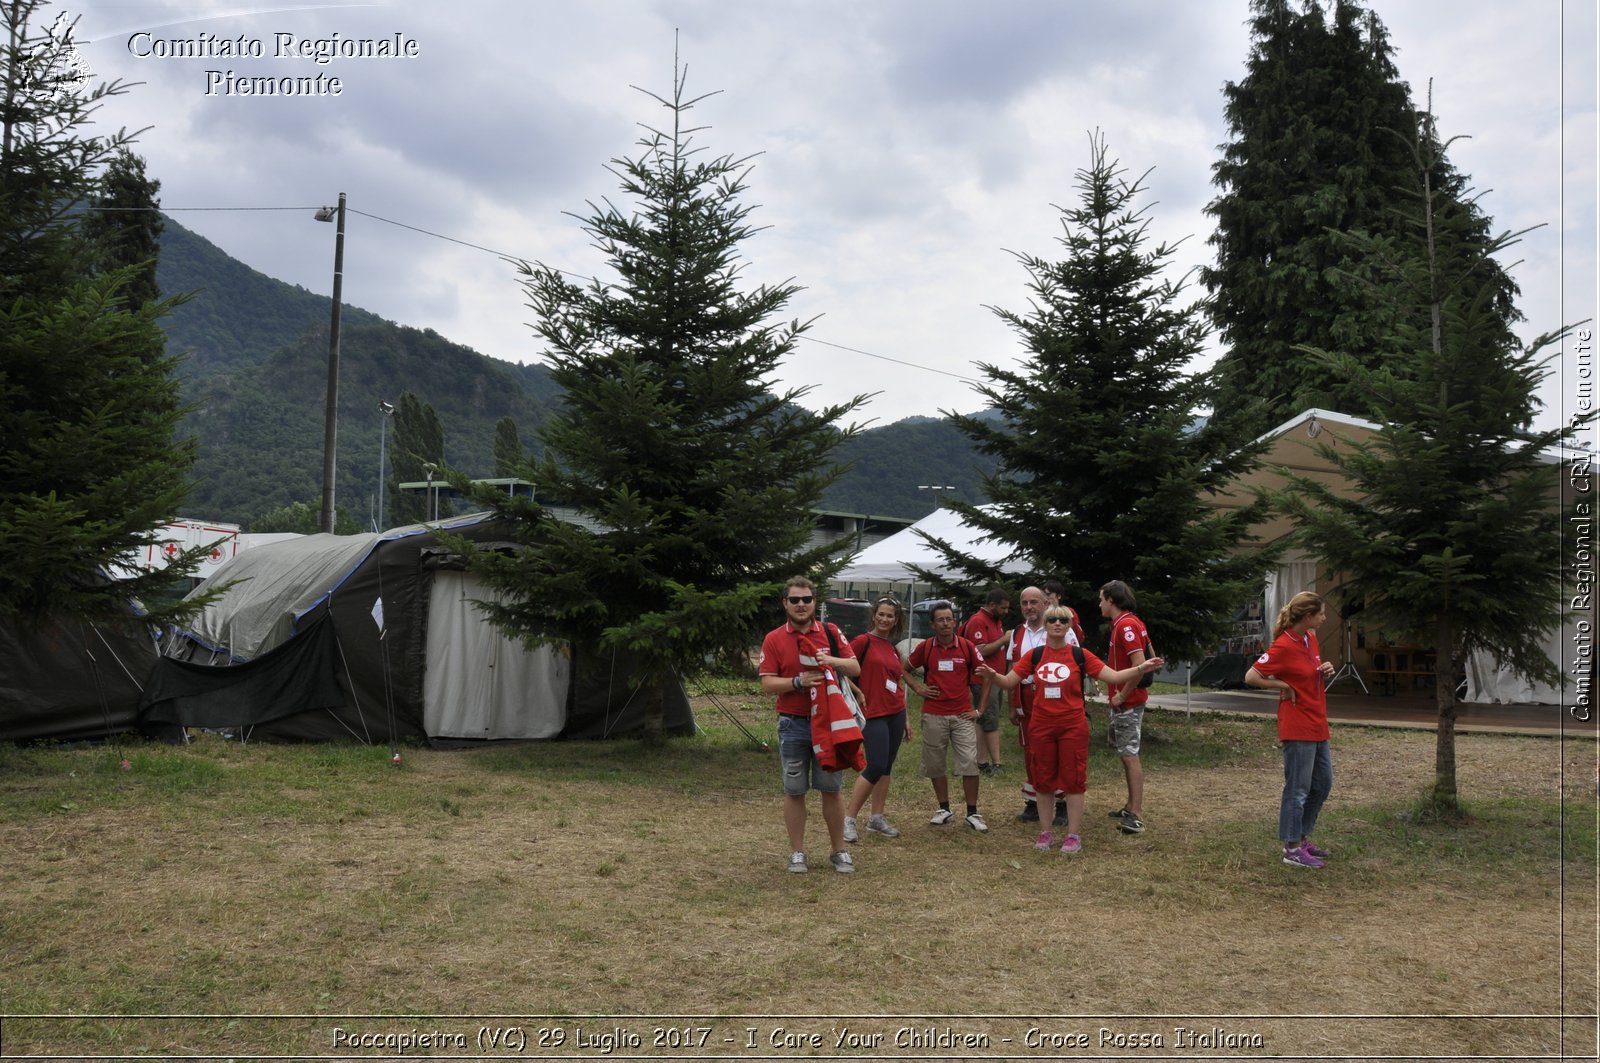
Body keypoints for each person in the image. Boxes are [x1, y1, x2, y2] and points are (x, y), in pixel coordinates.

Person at [981, 605, 1163, 854]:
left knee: (1074, 780)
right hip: (1041, 727)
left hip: (1072, 727)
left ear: (1069, 626)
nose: (1057, 623)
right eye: (1052, 619)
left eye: (1063, 620)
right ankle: (1045, 832)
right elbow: (1009, 681)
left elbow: (1113, 676)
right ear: (1045, 625)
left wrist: (1141, 668)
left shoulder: (1080, 655)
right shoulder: (1034, 655)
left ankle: (1073, 835)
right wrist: (992, 675)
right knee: (1043, 781)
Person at [758, 576, 862, 874]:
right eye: (795, 600)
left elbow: (854, 667)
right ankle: (797, 853)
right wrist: (797, 682)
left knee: (831, 788)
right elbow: (767, 684)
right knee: (795, 791)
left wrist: (829, 659)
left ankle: (839, 851)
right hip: (793, 724)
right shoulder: (774, 638)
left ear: (815, 602)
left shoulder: (830, 632)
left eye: (806, 600)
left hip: (829, 724)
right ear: (785, 604)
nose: (801, 605)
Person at [1244, 590, 1338, 869]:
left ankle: (1302, 836)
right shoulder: (1284, 646)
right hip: (1297, 724)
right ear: (1307, 616)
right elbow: (1251, 676)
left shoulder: (1310, 638)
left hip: (1317, 720)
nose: (1324, 617)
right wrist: (1282, 685)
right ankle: (1292, 848)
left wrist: (1324, 669)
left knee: (1322, 783)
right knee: (1298, 788)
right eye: (1321, 613)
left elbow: (1308, 671)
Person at [905, 600, 988, 832]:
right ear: (932, 624)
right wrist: (918, 689)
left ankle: (972, 812)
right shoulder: (926, 648)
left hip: (962, 715)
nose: (945, 624)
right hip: (933, 714)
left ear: (955, 621)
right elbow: (903, 669)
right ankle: (944, 809)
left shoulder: (967, 646)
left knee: (970, 763)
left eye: (949, 619)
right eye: (940, 620)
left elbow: (987, 676)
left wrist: (979, 710)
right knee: (935, 764)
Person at [843, 597, 914, 842]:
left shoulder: (893, 648)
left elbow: (897, 683)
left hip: (895, 713)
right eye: (881, 614)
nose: (885, 619)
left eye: (890, 616)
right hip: (872, 713)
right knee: (875, 765)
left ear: (896, 621)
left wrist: (905, 717)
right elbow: (841, 670)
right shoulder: (863, 641)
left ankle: (876, 818)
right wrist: (858, 691)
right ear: (874, 615)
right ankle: (848, 820)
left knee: (886, 766)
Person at [1099, 579, 1151, 835]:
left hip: (1129, 702)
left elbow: (1140, 662)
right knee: (1125, 753)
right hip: (1126, 701)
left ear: (1111, 600)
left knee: (1130, 755)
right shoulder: (1125, 623)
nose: (1099, 604)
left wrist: (1123, 694)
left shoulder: (1126, 624)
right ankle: (1130, 805)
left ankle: (1136, 815)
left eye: (1101, 599)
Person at [1007, 586, 1049, 823]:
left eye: (1034, 602)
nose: (1029, 607)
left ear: (1044, 603)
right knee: (1030, 750)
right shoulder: (1017, 633)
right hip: (1025, 695)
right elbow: (1012, 669)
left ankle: (1061, 803)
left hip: (1051, 696)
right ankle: (1033, 803)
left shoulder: (1058, 627)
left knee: (1053, 749)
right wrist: (1012, 704)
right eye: (1024, 603)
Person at [961, 587, 1011, 776]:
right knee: (990, 720)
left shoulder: (995, 620)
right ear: (992, 605)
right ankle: (996, 764)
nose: (1006, 612)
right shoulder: (978, 621)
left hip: (995, 678)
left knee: (984, 720)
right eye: (1003, 608)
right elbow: (978, 651)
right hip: (982, 680)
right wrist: (1004, 640)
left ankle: (981, 761)